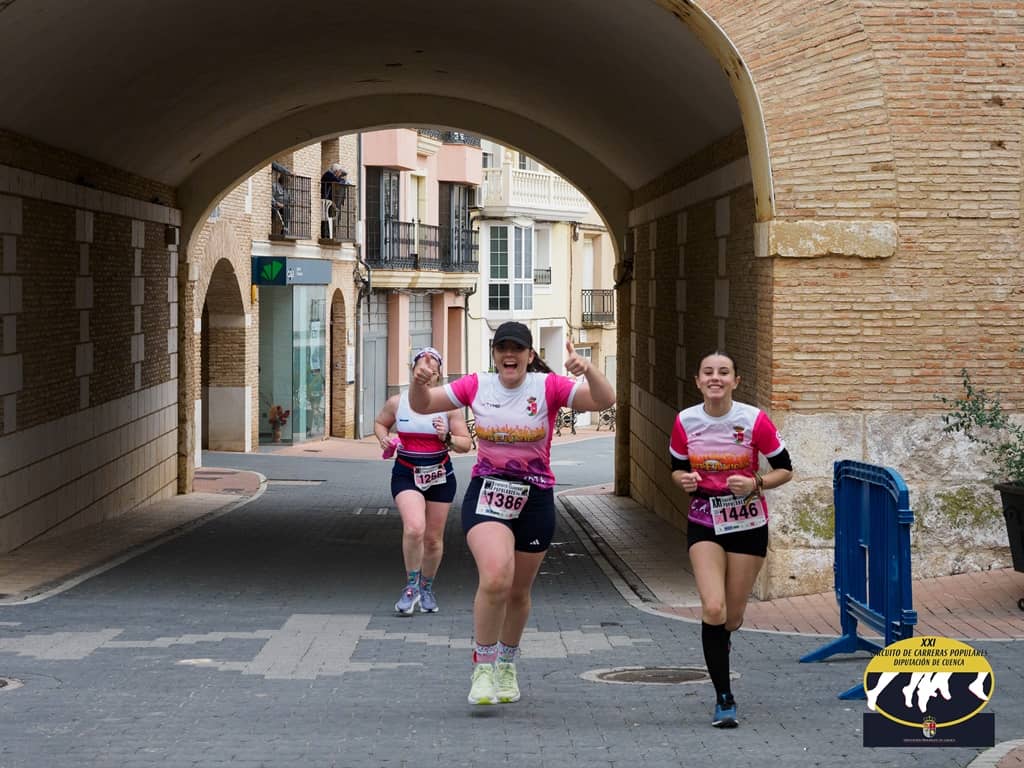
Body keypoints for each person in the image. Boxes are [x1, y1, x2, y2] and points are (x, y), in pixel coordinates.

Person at [409, 321, 615, 705]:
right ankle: (483, 666)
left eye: (517, 348)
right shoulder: (477, 385)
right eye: (502, 347)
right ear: (493, 354)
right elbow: (422, 404)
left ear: (529, 355)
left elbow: (604, 400)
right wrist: (418, 382)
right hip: (488, 494)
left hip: (535, 498)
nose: (509, 354)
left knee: (518, 591)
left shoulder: (547, 387)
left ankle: (506, 663)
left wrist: (588, 369)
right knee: (495, 576)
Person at [669, 351, 793, 728]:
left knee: (733, 617)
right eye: (708, 372)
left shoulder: (753, 420)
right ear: (697, 380)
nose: (715, 378)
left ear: (736, 381)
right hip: (704, 518)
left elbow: (785, 469)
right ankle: (724, 697)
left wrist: (756, 482)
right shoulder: (685, 421)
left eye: (724, 372)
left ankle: (721, 644)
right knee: (713, 608)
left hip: (747, 522)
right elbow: (677, 468)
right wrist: (684, 480)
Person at [374, 347, 472, 616]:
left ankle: (426, 587)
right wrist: (383, 438)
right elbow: (380, 423)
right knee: (415, 528)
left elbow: (466, 444)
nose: (427, 372)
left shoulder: (449, 407)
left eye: (433, 369)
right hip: (407, 473)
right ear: (413, 370)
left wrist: (447, 438)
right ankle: (411, 587)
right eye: (422, 367)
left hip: (440, 476)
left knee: (432, 539)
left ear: (439, 374)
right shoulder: (398, 402)